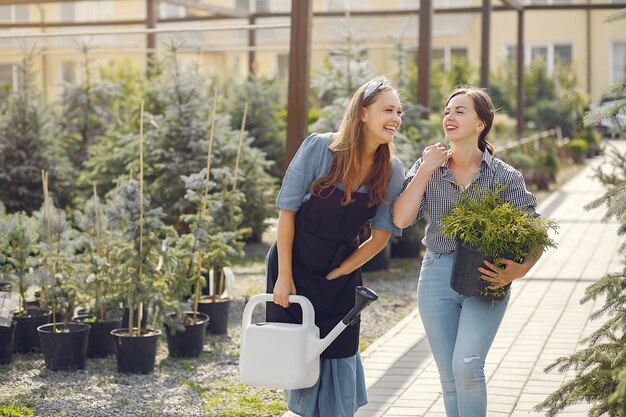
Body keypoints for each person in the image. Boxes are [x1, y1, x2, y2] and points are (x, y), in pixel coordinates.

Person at [392, 86, 542, 417]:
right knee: (449, 378)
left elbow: (536, 232)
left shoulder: (504, 176)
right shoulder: (429, 167)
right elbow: (401, 218)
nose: (450, 116)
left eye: (460, 111)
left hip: (486, 277)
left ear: (480, 124)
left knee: (468, 368)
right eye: (447, 111)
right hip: (435, 276)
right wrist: (427, 168)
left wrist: (520, 270)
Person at [265, 76, 405, 417]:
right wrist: (284, 276)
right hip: (293, 265)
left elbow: (381, 237)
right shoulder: (319, 149)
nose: (396, 119)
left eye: (399, 112)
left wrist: (343, 269)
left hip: (341, 273)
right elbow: (287, 214)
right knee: (299, 357)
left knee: (341, 353)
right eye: (388, 110)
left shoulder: (392, 170)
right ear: (362, 113)